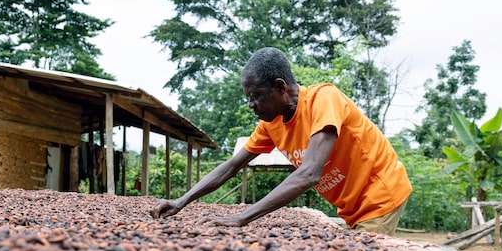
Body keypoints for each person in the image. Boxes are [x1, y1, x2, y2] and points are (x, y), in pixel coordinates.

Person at [149, 47, 412, 235]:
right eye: (247, 98)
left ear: (280, 87)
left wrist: (242, 218)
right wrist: (181, 201)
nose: (251, 105)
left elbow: (309, 174)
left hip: (380, 194)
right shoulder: (270, 125)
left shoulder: (324, 99)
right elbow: (231, 167)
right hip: (351, 206)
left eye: (256, 96)